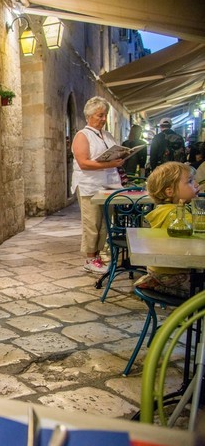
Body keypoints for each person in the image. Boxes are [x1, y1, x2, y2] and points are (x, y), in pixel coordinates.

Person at [70, 96, 126, 274]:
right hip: (90, 186)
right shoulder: (82, 135)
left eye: (105, 115)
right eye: (100, 115)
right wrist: (110, 164)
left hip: (109, 185)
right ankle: (90, 258)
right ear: (89, 116)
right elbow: (84, 163)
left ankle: (98, 255)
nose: (103, 119)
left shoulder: (107, 135)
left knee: (104, 223)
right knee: (92, 223)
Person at [134, 162, 199, 298]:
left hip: (159, 271)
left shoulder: (162, 210)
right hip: (174, 275)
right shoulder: (176, 214)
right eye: (190, 181)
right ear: (169, 191)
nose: (196, 184)